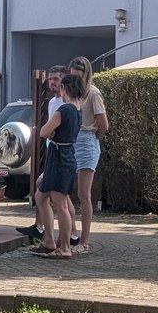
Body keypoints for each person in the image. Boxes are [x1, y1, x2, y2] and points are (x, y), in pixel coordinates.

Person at [34, 71, 83, 258]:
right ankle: (49, 241)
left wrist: (51, 133)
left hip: (59, 158)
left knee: (60, 205)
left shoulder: (64, 109)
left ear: (64, 88)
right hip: (65, 155)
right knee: (40, 196)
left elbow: (43, 132)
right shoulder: (78, 109)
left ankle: (65, 248)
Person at [67, 56, 109, 254]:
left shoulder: (93, 93)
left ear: (86, 75)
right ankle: (71, 233)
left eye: (78, 77)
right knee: (61, 189)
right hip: (73, 141)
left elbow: (104, 124)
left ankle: (84, 241)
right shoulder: (73, 93)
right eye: (72, 76)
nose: (75, 80)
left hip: (86, 140)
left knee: (84, 194)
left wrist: (92, 137)